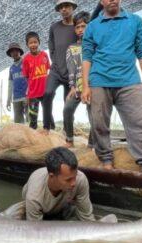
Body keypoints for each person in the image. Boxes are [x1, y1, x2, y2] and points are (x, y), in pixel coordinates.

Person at [82, 0, 142, 173]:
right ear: (102, 2)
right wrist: (85, 85)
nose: (113, 0)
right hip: (99, 80)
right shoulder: (92, 26)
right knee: (99, 123)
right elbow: (87, 57)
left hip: (129, 80)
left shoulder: (134, 21)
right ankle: (106, 159)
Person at [23, 147, 95, 221]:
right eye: (68, 180)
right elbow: (37, 230)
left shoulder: (80, 180)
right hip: (35, 210)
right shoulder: (34, 196)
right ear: (52, 176)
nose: (74, 183)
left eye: (75, 176)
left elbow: (86, 217)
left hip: (63, 207)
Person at [43, 0, 78, 134]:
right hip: (56, 70)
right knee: (47, 93)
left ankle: (67, 129)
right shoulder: (54, 27)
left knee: (68, 103)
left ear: (72, 8)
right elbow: (51, 46)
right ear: (59, 10)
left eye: (67, 6)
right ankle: (47, 126)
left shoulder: (77, 26)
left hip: (72, 72)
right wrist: (55, 60)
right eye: (61, 7)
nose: (64, 9)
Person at [63, 11, 93, 148]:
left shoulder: (95, 46)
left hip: (93, 87)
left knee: (95, 117)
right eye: (77, 27)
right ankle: (69, 139)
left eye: (83, 26)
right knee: (67, 109)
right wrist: (72, 87)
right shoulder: (72, 48)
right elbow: (71, 70)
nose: (80, 29)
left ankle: (92, 144)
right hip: (77, 87)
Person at [22, 31, 50, 130]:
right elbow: (26, 77)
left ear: (39, 42)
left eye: (35, 42)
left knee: (48, 114)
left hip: (45, 91)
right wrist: (28, 93)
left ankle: (50, 133)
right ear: (27, 45)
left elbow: (47, 70)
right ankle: (33, 136)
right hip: (33, 93)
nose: (33, 45)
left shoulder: (44, 55)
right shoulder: (26, 59)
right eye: (30, 43)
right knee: (33, 118)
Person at [6, 42, 27, 124]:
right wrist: (8, 99)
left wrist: (29, 95)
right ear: (10, 54)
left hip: (27, 97)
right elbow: (10, 84)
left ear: (20, 52)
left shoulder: (26, 62)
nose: (14, 53)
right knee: (18, 124)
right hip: (16, 98)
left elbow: (31, 79)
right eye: (12, 51)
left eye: (16, 51)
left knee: (31, 121)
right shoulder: (11, 68)